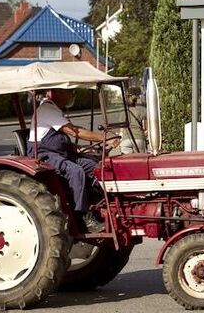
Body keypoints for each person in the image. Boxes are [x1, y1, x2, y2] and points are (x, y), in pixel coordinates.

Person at [27, 88, 120, 232]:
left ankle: (100, 204)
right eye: (69, 92)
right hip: (44, 155)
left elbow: (61, 141)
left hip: (59, 153)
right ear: (55, 93)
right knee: (75, 171)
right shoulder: (47, 109)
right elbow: (73, 131)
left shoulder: (54, 109)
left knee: (94, 166)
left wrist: (84, 149)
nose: (72, 95)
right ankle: (82, 217)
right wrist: (104, 137)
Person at [119, 87, 147, 154]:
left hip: (126, 139)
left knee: (128, 162)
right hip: (139, 139)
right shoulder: (141, 111)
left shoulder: (123, 113)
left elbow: (122, 130)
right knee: (140, 161)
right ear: (136, 101)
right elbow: (144, 128)